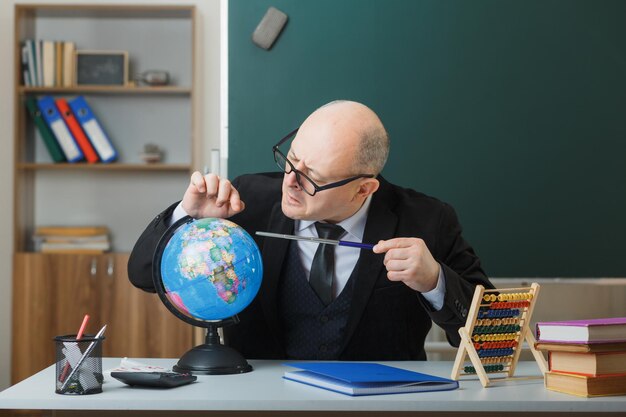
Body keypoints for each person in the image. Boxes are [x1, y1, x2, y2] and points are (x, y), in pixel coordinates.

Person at [128, 100, 494, 361]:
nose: (290, 181)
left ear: (363, 189)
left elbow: (492, 338)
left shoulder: (428, 220)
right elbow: (143, 275)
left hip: (382, 407)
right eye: (290, 160)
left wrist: (435, 281)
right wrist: (188, 216)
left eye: (311, 178)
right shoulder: (247, 201)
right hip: (259, 404)